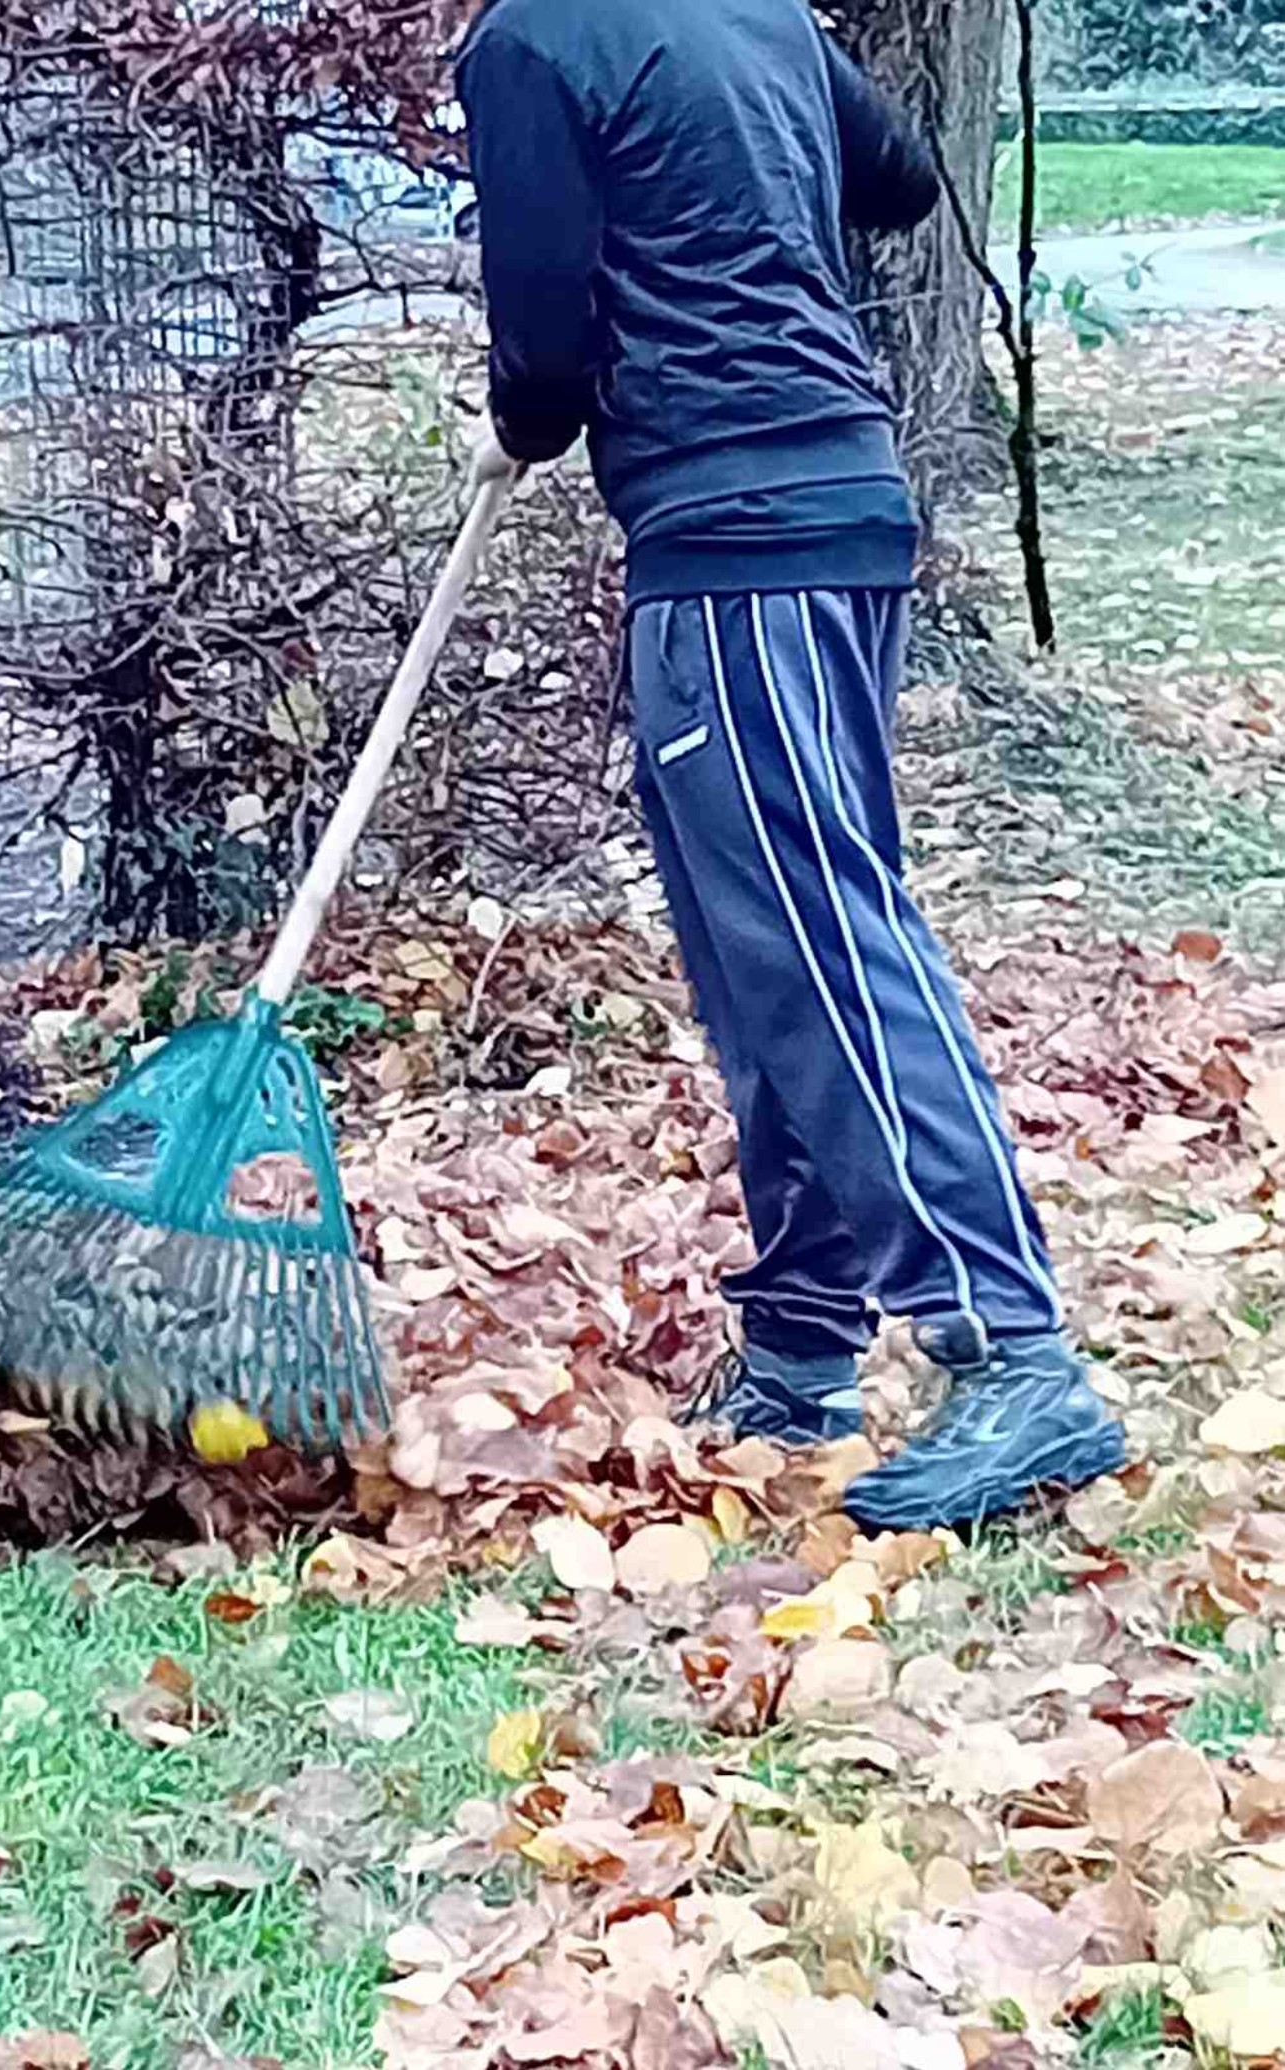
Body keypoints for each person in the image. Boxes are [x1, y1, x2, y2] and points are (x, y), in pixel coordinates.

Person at [454, 0, 1126, 1531]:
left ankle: (1011, 1348)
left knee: (816, 941)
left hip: (734, 540)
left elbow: (545, 358)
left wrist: (513, 418)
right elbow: (891, 178)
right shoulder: (747, 7)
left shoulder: (530, 42)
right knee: (774, 947)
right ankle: (804, 1346)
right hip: (840, 508)